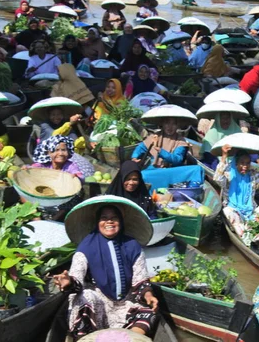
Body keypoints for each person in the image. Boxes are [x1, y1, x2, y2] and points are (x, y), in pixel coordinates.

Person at [52, 200, 158, 339]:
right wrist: (69, 282)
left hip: (125, 302)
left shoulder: (132, 246)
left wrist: (148, 295)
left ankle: (129, 338)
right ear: (98, 222)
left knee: (150, 310)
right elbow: (76, 278)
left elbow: (140, 280)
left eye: (114, 218)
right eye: (104, 218)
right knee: (85, 298)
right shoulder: (86, 247)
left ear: (120, 221)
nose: (109, 222)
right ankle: (87, 339)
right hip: (99, 302)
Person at [214, 145, 259, 244]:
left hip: (250, 211)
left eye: (248, 163)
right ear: (236, 163)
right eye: (242, 163)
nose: (245, 166)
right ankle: (244, 231)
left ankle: (249, 229)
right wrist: (224, 156)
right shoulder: (229, 175)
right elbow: (217, 178)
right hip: (234, 209)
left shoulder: (253, 175)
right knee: (228, 212)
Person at [131, 118, 205, 191]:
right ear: (162, 124)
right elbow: (140, 147)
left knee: (197, 169)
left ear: (178, 126)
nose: (170, 127)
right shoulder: (154, 137)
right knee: (143, 175)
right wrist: (134, 157)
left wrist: (162, 152)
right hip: (154, 170)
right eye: (167, 123)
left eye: (174, 124)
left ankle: (191, 191)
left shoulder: (181, 141)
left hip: (171, 171)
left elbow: (177, 159)